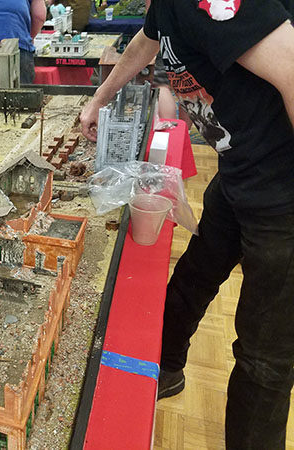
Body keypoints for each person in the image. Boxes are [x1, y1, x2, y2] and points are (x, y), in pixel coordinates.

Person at [79, 0, 294, 447]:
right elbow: (145, 42)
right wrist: (100, 99)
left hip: (281, 195)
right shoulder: (168, 6)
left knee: (265, 358)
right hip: (240, 172)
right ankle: (166, 370)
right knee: (192, 279)